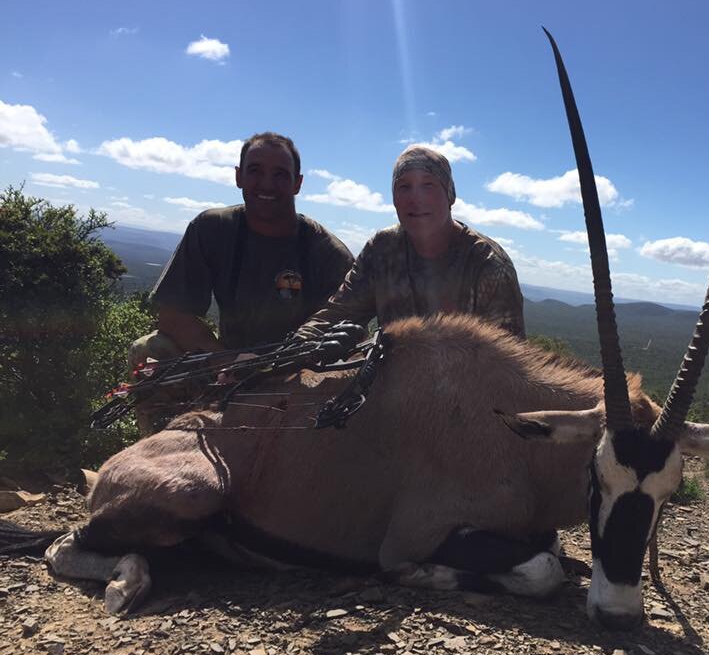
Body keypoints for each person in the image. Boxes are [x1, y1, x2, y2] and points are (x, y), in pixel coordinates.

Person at [129, 131, 354, 434]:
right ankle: (159, 456)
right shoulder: (211, 229)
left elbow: (346, 337)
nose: (266, 184)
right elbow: (173, 316)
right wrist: (228, 361)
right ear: (238, 176)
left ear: (297, 183)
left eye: (280, 175)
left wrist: (278, 368)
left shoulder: (328, 253)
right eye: (255, 171)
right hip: (223, 365)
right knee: (149, 349)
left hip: (297, 375)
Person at [294, 145, 524, 344]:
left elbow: (507, 365)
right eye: (404, 186)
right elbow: (337, 315)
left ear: (450, 194)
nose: (416, 198)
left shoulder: (488, 265)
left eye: (428, 185)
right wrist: (288, 354)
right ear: (394, 198)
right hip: (393, 386)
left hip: (466, 391)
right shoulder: (382, 250)